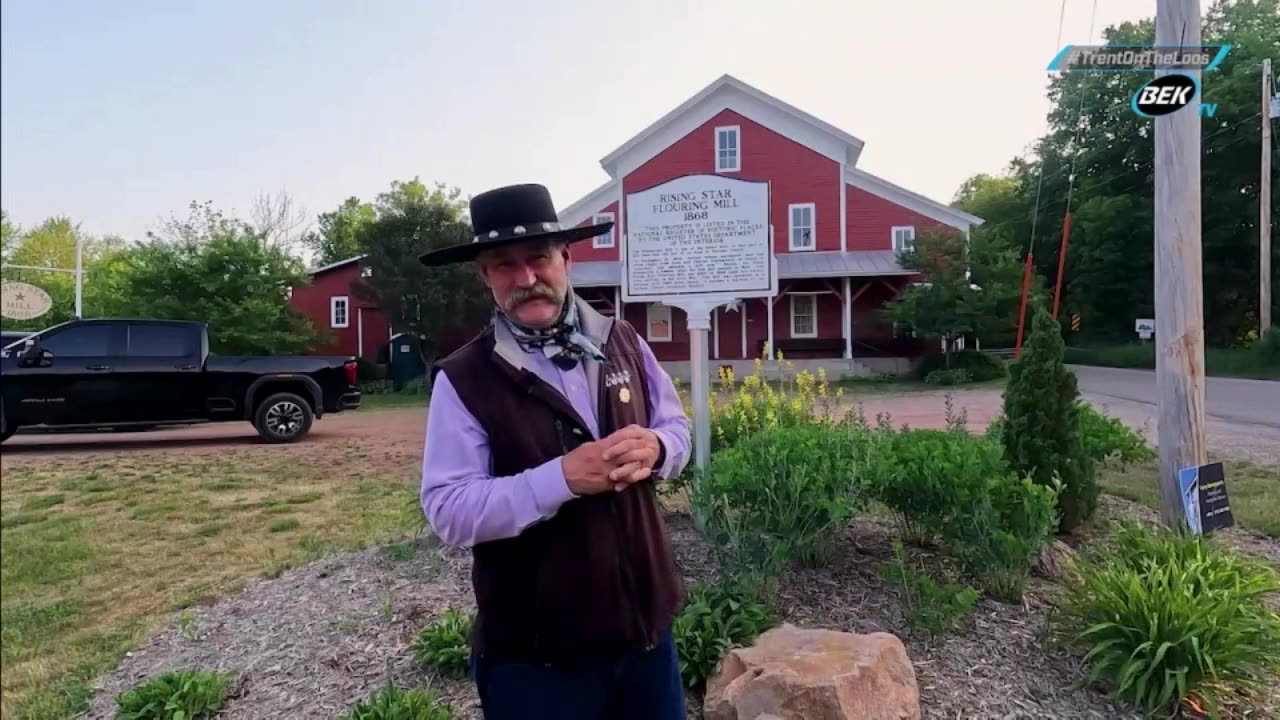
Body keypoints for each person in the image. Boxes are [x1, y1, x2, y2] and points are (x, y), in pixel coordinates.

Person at [417, 183, 692, 719]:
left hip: (646, 639)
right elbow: (448, 510)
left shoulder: (623, 341)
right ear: (484, 276)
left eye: (538, 257)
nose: (525, 279)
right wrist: (560, 478)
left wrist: (657, 449)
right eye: (503, 265)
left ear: (565, 257)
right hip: (537, 661)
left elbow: (676, 429)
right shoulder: (465, 378)